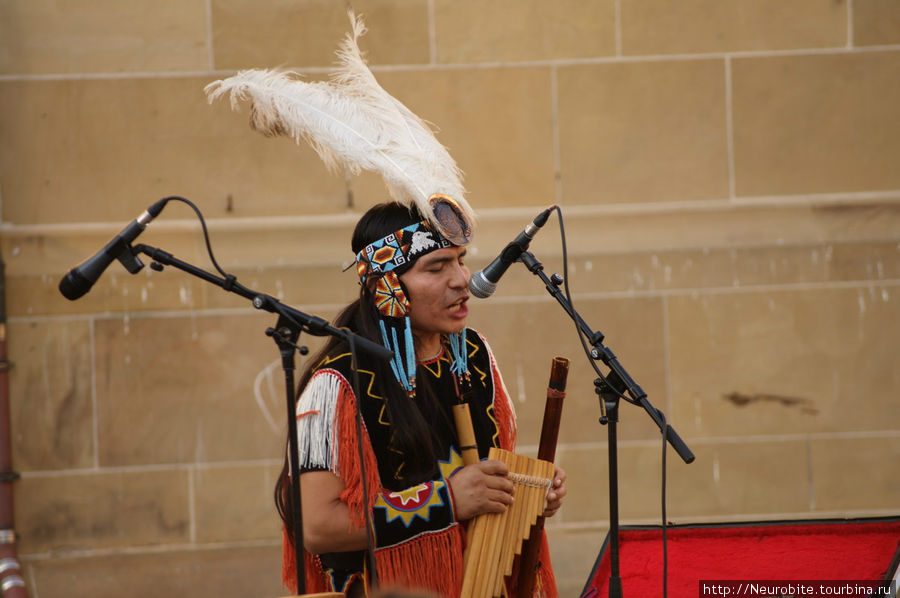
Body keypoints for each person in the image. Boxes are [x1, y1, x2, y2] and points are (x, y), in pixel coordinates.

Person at [274, 201, 567, 597]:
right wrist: (445, 502)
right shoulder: (337, 383)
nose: (462, 279)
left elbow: (483, 478)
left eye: (460, 261)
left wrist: (526, 494)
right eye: (436, 267)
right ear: (388, 286)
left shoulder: (474, 356)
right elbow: (317, 526)